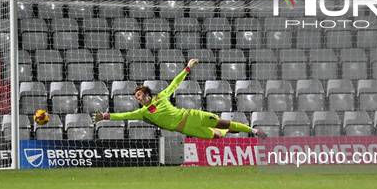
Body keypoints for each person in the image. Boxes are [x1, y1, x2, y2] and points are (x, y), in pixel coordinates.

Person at [91, 58, 268, 140]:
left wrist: (188, 68)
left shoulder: (161, 96)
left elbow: (175, 84)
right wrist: (104, 117)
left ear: (147, 94)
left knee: (223, 123)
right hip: (186, 129)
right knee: (217, 135)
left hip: (192, 116)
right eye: (136, 97)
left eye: (139, 95)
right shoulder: (142, 113)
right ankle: (228, 132)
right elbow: (123, 116)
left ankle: (254, 131)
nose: (137, 99)